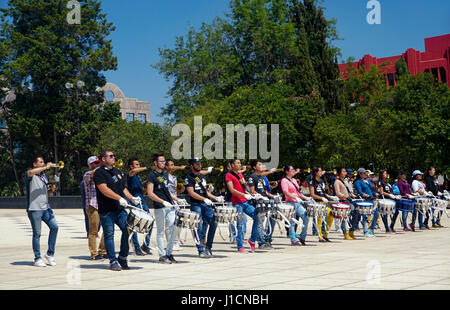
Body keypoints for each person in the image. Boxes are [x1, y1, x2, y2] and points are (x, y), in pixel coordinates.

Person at [93, 150, 142, 271]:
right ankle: (112, 260)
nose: (114, 157)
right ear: (104, 159)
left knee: (128, 230)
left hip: (119, 209)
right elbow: (104, 189)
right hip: (107, 210)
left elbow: (122, 188)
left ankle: (122, 257)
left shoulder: (117, 171)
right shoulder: (99, 173)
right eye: (111, 156)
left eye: (114, 155)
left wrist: (131, 198)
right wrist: (119, 198)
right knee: (109, 235)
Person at [147, 153, 182, 264]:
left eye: (164, 161)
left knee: (173, 229)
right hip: (159, 206)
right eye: (161, 161)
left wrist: (177, 199)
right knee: (160, 232)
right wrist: (162, 202)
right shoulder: (151, 175)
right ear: (155, 163)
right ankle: (162, 255)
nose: (163, 163)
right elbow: (150, 193)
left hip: (169, 206)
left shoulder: (165, 175)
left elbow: (167, 191)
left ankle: (169, 253)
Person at [185, 157, 223, 258]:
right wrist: (203, 199)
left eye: (199, 164)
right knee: (198, 226)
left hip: (205, 204)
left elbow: (205, 191)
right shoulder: (188, 178)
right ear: (191, 166)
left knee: (213, 223)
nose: (199, 165)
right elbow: (191, 193)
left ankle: (208, 248)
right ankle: (200, 249)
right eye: (197, 164)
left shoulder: (202, 176)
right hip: (196, 204)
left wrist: (216, 198)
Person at [25, 156, 59, 267]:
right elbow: (31, 172)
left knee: (54, 227)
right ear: (35, 164)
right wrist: (46, 167)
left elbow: (44, 193)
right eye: (40, 162)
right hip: (35, 208)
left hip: (46, 208)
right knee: (37, 234)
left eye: (43, 162)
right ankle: (37, 258)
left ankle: (50, 253)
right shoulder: (30, 174)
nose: (43, 163)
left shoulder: (43, 176)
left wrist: (51, 190)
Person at [225, 159, 263, 253]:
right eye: (238, 163)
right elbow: (232, 190)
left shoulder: (240, 175)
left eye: (240, 163)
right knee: (240, 224)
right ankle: (240, 246)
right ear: (232, 165)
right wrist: (244, 195)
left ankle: (252, 240)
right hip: (237, 204)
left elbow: (243, 189)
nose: (240, 164)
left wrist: (252, 194)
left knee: (258, 217)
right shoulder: (228, 175)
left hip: (245, 202)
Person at [126, 158, 152, 255]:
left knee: (150, 222)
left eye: (139, 164)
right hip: (134, 202)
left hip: (142, 201)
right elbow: (133, 171)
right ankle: (136, 247)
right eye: (136, 164)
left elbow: (141, 191)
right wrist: (146, 167)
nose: (138, 166)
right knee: (134, 226)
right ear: (131, 166)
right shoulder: (130, 174)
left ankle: (145, 244)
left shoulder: (138, 177)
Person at [83, 156, 107, 260]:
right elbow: (92, 175)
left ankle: (103, 250)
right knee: (93, 231)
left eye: (98, 163)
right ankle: (94, 253)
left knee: (107, 229)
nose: (97, 165)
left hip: (102, 204)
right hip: (93, 205)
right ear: (89, 165)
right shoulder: (87, 174)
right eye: (94, 163)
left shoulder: (101, 174)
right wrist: (100, 169)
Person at [248, 160, 276, 248]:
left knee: (272, 217)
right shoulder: (252, 177)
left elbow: (265, 191)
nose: (261, 166)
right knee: (260, 221)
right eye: (259, 165)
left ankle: (267, 237)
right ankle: (260, 242)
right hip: (258, 201)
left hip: (265, 200)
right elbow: (252, 191)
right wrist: (260, 196)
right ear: (254, 167)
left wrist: (273, 196)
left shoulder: (260, 177)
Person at [280, 164, 310, 246]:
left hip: (297, 202)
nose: (293, 171)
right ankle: (293, 240)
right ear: (287, 171)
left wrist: (306, 198)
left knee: (306, 217)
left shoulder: (293, 180)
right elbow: (285, 192)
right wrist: (295, 197)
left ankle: (302, 236)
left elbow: (298, 192)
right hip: (290, 202)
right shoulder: (284, 181)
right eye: (292, 170)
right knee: (292, 222)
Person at [309, 166, 338, 242]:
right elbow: (312, 194)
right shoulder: (312, 182)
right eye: (320, 171)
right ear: (316, 172)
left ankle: (325, 235)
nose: (321, 172)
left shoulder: (322, 181)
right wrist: (321, 198)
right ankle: (320, 237)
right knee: (319, 220)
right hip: (318, 203)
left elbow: (324, 193)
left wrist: (331, 197)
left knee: (331, 216)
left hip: (324, 202)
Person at [354, 168, 380, 237]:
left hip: (371, 199)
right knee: (364, 216)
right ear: (360, 174)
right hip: (364, 200)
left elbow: (371, 190)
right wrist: (367, 195)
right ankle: (365, 231)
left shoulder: (368, 181)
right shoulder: (358, 182)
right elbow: (360, 192)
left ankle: (371, 228)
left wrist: (375, 193)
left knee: (376, 213)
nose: (366, 174)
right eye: (364, 173)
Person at [333, 167, 356, 240]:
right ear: (340, 173)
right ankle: (345, 233)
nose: (345, 173)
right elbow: (338, 193)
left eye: (345, 171)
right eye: (343, 171)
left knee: (355, 212)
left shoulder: (345, 181)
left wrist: (352, 195)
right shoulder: (337, 181)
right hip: (342, 201)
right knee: (344, 217)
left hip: (348, 200)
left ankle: (351, 231)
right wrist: (345, 196)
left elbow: (348, 191)